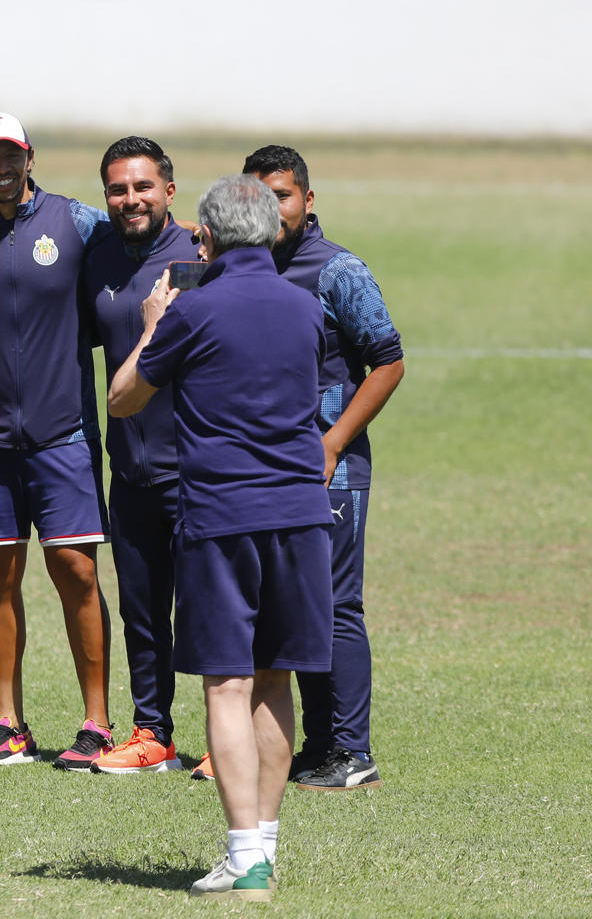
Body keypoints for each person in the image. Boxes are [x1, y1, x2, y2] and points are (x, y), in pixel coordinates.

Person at [109, 175, 333, 899]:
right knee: (275, 677)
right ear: (271, 231)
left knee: (227, 684)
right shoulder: (306, 307)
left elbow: (123, 398)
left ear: (204, 237)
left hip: (221, 518)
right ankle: (264, 844)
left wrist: (153, 325)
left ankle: (243, 856)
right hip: (301, 516)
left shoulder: (193, 311)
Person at [0, 111, 119, 771]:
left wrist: (203, 236)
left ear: (30, 157)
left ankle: (97, 723)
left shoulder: (76, 222)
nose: (2, 168)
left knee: (77, 573)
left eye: (11, 155)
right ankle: (8, 723)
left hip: (63, 435)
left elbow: (144, 233)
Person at [245, 145, 405, 791]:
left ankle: (351, 751)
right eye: (258, 198)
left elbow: (389, 362)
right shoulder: (245, 266)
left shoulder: (339, 270)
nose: (272, 209)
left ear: (307, 201)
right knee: (294, 607)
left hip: (328, 468)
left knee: (336, 605)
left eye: (281, 196)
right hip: (268, 470)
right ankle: (317, 747)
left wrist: (333, 442)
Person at [82, 137, 203, 775]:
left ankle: (228, 740)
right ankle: (152, 733)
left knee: (212, 610)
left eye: (143, 187)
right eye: (118, 189)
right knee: (142, 611)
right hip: (128, 471)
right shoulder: (97, 256)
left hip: (198, 472)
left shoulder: (201, 258)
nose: (131, 200)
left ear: (169, 191)